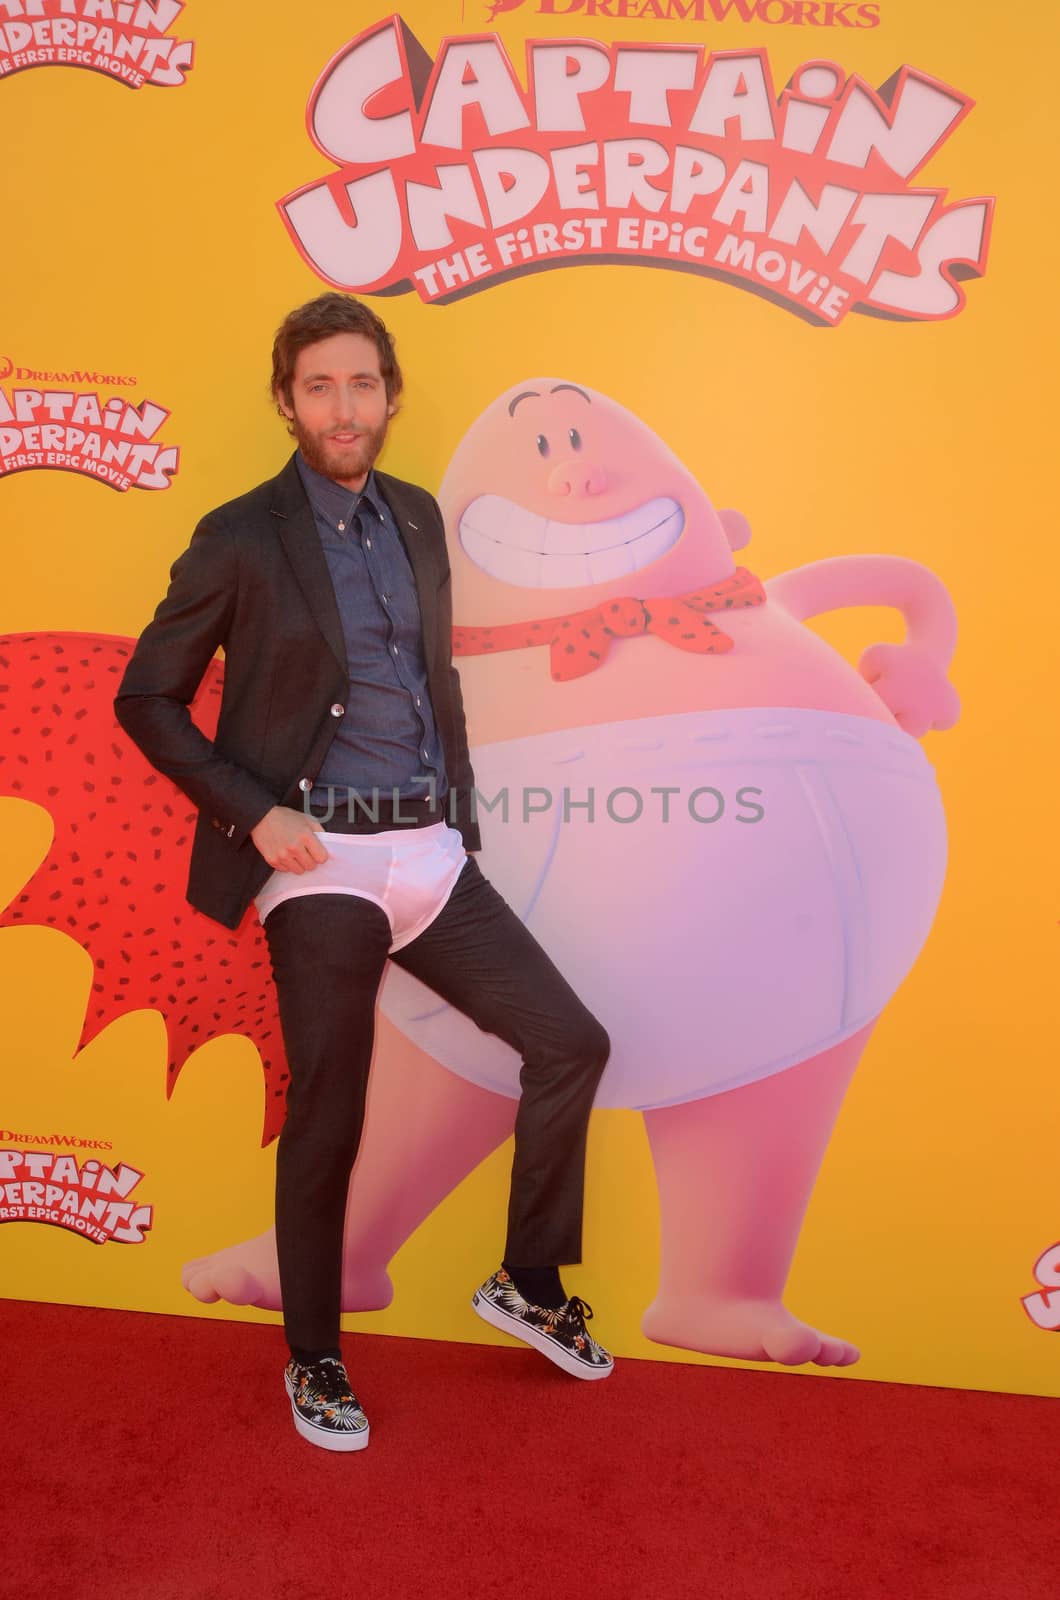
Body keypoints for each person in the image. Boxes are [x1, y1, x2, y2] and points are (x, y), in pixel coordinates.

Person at [114, 293, 614, 1453]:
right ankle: (316, 1355)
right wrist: (258, 812)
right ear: (287, 401)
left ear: (389, 394)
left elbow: (431, 685)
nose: (345, 407)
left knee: (570, 1040)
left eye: (363, 384)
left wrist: (455, 818)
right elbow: (146, 694)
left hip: (427, 851)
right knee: (332, 1105)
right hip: (318, 856)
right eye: (320, 386)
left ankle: (527, 1278)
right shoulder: (241, 534)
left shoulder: (419, 517)